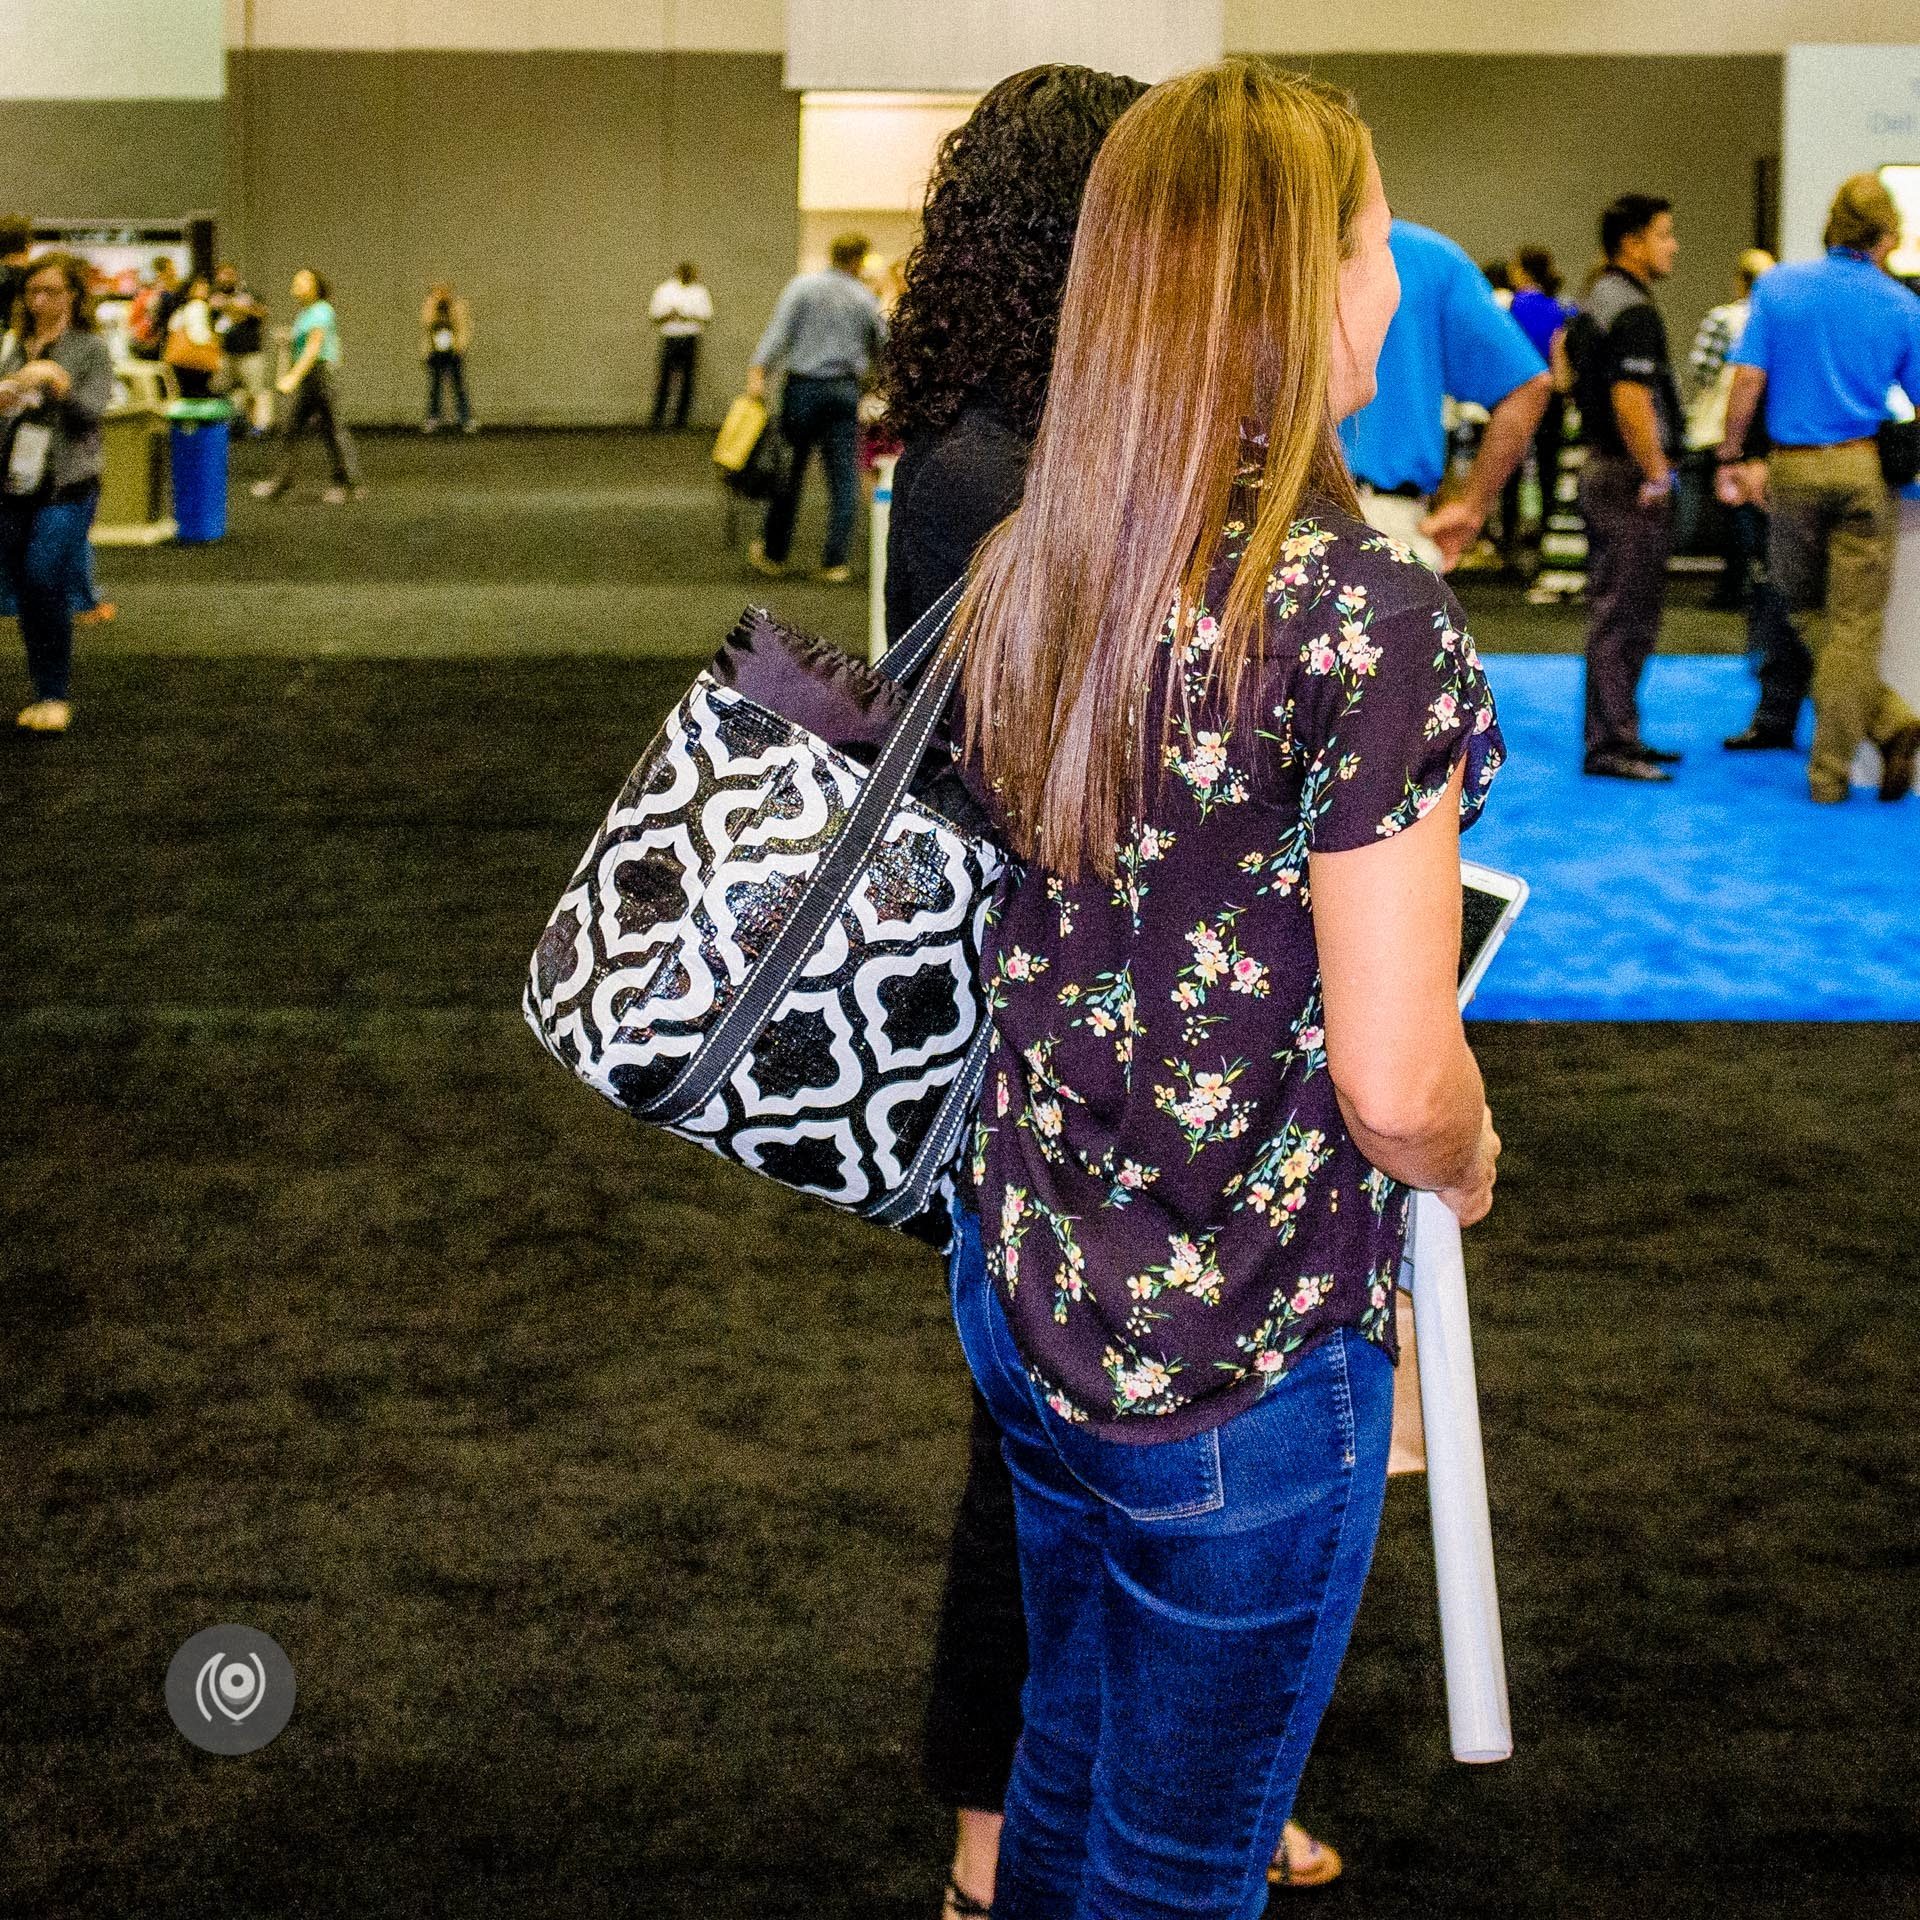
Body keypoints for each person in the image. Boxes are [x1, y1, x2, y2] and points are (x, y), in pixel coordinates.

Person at [942, 60, 1504, 1919]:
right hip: (1238, 1358)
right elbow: (1400, 1078)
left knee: (1068, 1759)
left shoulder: (1040, 559)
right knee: (1179, 1866)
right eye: (1370, 242)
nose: (1392, 282)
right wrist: (1472, 1158)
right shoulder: (1364, 607)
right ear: (1292, 283)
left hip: (1027, 1279)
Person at [886, 63, 1361, 1912]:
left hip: (1071, 1076)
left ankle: (1050, 1824)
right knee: (1036, 1502)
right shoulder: (1020, 487)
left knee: (1051, 1494)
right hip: (1074, 1089)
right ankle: (1002, 1840)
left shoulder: (1023, 460)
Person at [1718, 173, 1920, 803]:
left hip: (1794, 471)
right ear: (1886, 235)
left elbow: (1747, 382)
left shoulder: (1778, 287)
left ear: (1831, 223)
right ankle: (1861, 748)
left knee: (1805, 612)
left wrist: (1730, 455)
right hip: (1862, 468)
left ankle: (1874, 739)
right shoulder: (1902, 305)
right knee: (1854, 624)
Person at [1340, 220, 1551, 573]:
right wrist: (1472, 507)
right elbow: (1530, 384)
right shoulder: (1428, 257)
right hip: (1383, 517)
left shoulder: (1248, 246)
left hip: (1260, 514)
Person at [1568, 194, 1685, 781]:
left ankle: (1619, 735)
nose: (1674, 246)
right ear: (1633, 242)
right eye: (1665, 235)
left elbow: (1565, 372)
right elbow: (1631, 398)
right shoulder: (1632, 310)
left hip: (1604, 469)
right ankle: (1612, 744)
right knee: (1623, 613)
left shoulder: (1596, 301)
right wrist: (1657, 471)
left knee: (1620, 609)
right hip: (1626, 476)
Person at [0, 252, 115, 733]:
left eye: (49, 291)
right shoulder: (16, 346)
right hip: (15, 480)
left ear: (72, 295)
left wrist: (60, 384)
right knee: (27, 587)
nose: (39, 300)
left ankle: (54, 693)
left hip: (68, 482)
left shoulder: (90, 348)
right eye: (32, 292)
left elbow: (93, 411)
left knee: (46, 577)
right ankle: (44, 690)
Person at [745, 233, 886, 584]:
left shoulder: (802, 288)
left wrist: (759, 372)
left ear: (831, 254)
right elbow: (883, 344)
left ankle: (775, 554)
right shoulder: (864, 297)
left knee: (788, 473)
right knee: (843, 478)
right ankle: (834, 562)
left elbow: (778, 334)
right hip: (843, 391)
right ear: (859, 260)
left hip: (803, 389)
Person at [1685, 249, 1776, 610]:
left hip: (1724, 424)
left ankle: (1733, 585)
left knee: (1733, 507)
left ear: (1739, 279)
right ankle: (1764, 584)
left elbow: (1702, 371)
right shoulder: (1777, 319)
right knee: (1764, 509)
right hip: (1769, 426)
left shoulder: (1722, 319)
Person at [250, 268, 363, 505]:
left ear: (315, 286)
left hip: (320, 377)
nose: (297, 283)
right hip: (311, 377)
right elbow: (307, 340)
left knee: (332, 430)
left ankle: (348, 484)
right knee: (292, 430)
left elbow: (313, 349)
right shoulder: (307, 312)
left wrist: (292, 376)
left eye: (303, 280)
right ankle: (283, 481)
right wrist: (289, 337)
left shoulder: (321, 310)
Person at [1502, 244, 1574, 566]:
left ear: (1521, 271)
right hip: (1552, 398)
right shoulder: (1560, 308)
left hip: (1515, 393)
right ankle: (1545, 536)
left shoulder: (1510, 306)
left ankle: (1508, 540)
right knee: (1548, 468)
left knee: (1511, 469)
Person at [648, 262, 711, 430]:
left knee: (688, 379)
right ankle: (658, 416)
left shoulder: (700, 291)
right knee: (665, 377)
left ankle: (681, 418)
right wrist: (669, 314)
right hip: (670, 336)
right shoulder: (665, 290)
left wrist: (686, 315)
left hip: (690, 337)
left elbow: (707, 315)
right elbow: (654, 314)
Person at [211, 263, 272, 435]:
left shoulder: (249, 295)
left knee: (253, 392)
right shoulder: (213, 298)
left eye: (229, 274)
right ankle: (223, 426)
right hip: (225, 353)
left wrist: (238, 308)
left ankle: (255, 428)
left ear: (236, 275)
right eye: (222, 274)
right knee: (220, 391)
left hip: (250, 353)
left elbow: (262, 314)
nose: (226, 278)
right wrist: (229, 308)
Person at [420, 282, 475, 434]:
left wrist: (460, 348)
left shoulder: (457, 306)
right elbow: (426, 323)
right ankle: (433, 417)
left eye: (445, 291)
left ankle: (465, 418)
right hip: (435, 351)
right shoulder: (430, 306)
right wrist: (436, 305)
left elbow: (463, 327)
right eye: (438, 291)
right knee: (435, 386)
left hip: (453, 351)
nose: (442, 293)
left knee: (458, 385)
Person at [163, 274, 220, 399]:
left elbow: (172, 327)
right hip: (196, 362)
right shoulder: (198, 305)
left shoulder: (182, 308)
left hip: (179, 362)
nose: (205, 290)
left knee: (184, 397)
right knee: (199, 398)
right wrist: (213, 343)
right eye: (201, 287)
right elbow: (199, 336)